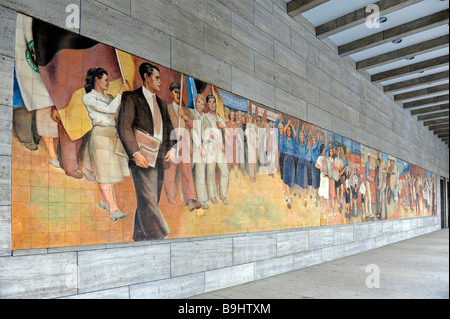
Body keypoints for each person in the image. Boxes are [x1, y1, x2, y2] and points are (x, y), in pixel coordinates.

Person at [117, 62, 175, 241]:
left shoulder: (162, 104)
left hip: (159, 157)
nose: (160, 82)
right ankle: (159, 236)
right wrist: (135, 153)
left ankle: (139, 236)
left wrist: (173, 148)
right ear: (146, 77)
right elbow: (124, 127)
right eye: (156, 78)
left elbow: (170, 130)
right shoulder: (131, 97)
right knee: (148, 200)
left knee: (149, 200)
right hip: (141, 157)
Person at [83, 67, 131, 222]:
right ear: (97, 80)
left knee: (110, 172)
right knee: (104, 173)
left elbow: (119, 110)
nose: (108, 83)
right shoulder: (89, 98)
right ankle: (113, 208)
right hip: (100, 136)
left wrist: (127, 95)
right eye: (105, 79)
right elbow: (110, 110)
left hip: (112, 135)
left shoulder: (110, 96)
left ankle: (104, 201)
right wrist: (121, 93)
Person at [163, 82, 202, 211]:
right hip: (172, 144)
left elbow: (196, 125)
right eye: (175, 92)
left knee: (187, 172)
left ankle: (191, 200)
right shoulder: (166, 108)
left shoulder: (185, 110)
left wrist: (184, 116)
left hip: (185, 144)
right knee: (170, 172)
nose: (178, 95)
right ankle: (171, 197)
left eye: (180, 92)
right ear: (171, 93)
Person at [202, 95, 230, 205]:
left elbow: (228, 131)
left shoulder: (219, 118)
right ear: (207, 104)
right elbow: (210, 133)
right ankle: (212, 195)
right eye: (210, 102)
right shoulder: (206, 117)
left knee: (225, 171)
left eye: (214, 102)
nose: (213, 104)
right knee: (211, 172)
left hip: (219, 148)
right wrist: (221, 142)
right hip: (210, 146)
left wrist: (222, 126)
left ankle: (223, 194)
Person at [191, 94, 209, 210]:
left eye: (202, 104)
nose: (200, 105)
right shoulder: (193, 115)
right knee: (195, 173)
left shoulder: (205, 119)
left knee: (201, 174)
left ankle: (202, 199)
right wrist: (200, 147)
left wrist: (205, 147)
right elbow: (194, 133)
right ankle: (197, 200)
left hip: (204, 149)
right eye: (198, 103)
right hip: (195, 148)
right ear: (195, 102)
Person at [280, 120, 297, 209]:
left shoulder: (293, 141)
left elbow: (295, 135)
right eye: (288, 131)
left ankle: (288, 195)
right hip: (286, 158)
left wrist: (292, 126)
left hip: (291, 159)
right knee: (286, 178)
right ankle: (289, 197)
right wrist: (288, 124)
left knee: (291, 178)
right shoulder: (285, 138)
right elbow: (282, 131)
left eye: (290, 131)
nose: (289, 132)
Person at [225, 109, 243, 185]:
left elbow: (238, 135)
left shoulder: (236, 125)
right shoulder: (227, 123)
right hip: (228, 143)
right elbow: (225, 134)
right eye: (231, 114)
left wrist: (241, 143)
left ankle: (237, 178)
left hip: (235, 143)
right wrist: (227, 142)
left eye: (233, 115)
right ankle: (228, 177)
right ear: (229, 115)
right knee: (229, 162)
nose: (232, 116)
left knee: (236, 162)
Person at [315, 144, 329, 215]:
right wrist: (320, 167)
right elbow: (316, 165)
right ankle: (321, 207)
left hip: (326, 177)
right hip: (322, 176)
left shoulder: (325, 158)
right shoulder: (320, 158)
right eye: (323, 150)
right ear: (322, 150)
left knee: (326, 192)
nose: (324, 151)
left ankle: (328, 209)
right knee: (321, 191)